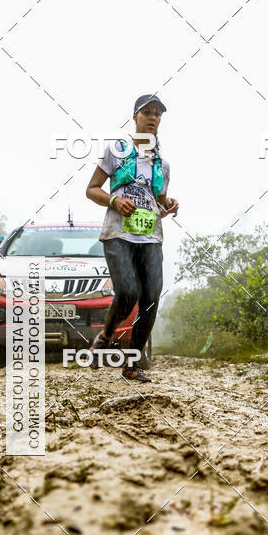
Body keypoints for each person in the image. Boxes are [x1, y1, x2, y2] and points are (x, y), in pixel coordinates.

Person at [86, 94, 179, 382]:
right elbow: (92, 189)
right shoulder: (117, 151)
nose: (153, 118)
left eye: (158, 114)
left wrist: (169, 204)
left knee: (150, 299)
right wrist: (114, 201)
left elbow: (159, 203)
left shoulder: (162, 164)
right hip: (118, 234)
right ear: (135, 117)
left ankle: (132, 364)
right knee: (127, 292)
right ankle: (105, 337)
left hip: (150, 237)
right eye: (147, 112)